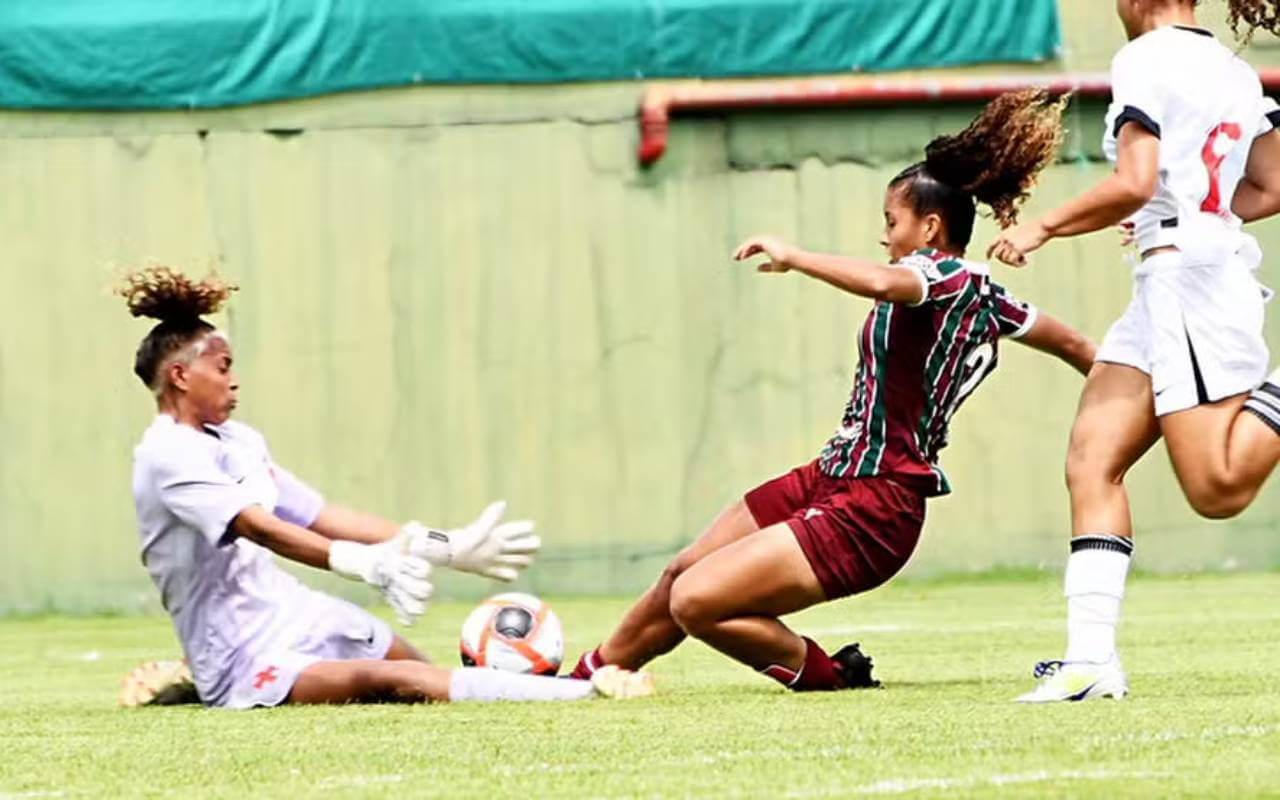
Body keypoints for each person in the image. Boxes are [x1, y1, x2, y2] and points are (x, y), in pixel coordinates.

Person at [566, 91, 1096, 692]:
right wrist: (1133, 400)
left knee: (695, 600)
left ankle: (832, 676)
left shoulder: (942, 277)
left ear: (930, 228)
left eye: (890, 223)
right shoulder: (989, 296)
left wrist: (795, 255)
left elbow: (883, 280)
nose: (884, 237)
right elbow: (1081, 350)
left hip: (877, 505)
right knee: (681, 571)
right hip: (836, 473)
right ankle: (584, 677)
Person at [115, 266, 652, 708]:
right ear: (182, 376)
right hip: (241, 655)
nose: (234, 380)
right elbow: (261, 529)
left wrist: (448, 546)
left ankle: (557, 689)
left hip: (297, 611)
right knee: (395, 684)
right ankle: (585, 692)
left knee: (426, 679)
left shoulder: (239, 439)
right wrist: (363, 564)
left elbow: (319, 515)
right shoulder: (167, 454)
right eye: (223, 367)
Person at [987, 0, 1280, 702]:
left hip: (1193, 288)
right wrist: (1187, 216)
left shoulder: (1144, 57)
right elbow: (1272, 183)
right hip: (1171, 278)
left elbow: (1134, 181)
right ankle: (1090, 662)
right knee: (1093, 460)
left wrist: (1043, 228)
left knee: (1217, 488)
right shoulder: (1233, 70)